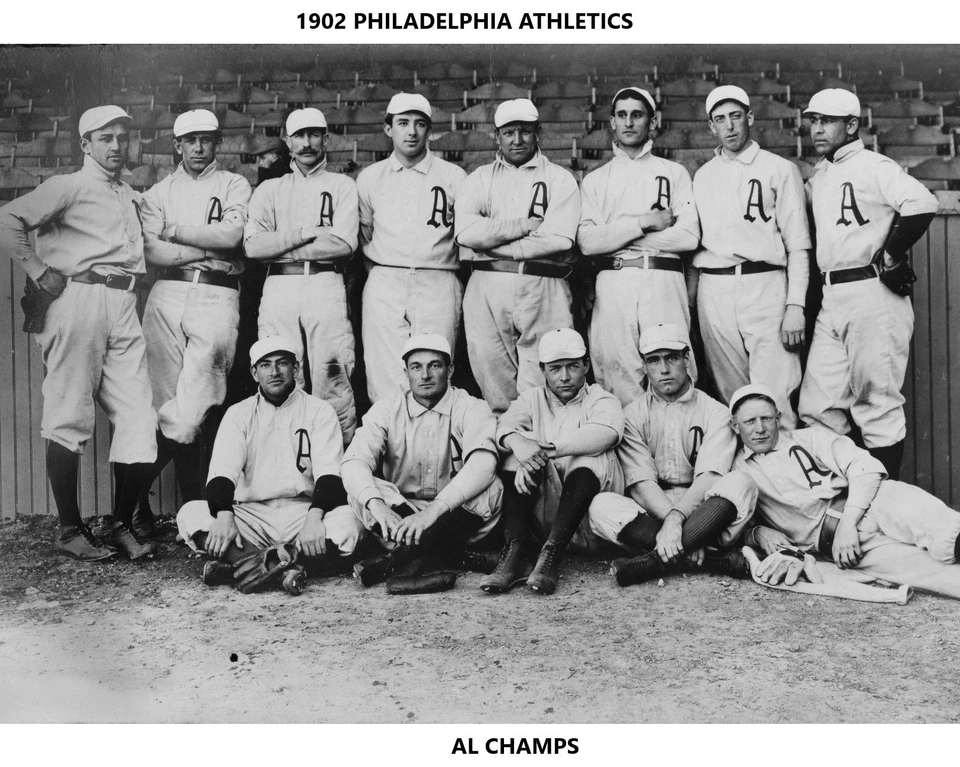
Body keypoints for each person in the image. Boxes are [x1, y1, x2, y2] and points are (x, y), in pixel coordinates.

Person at [0, 105, 158, 561]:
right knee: (69, 413)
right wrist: (37, 270)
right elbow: (8, 219)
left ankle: (119, 523)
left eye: (122, 137)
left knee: (138, 417)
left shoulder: (129, 193)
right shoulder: (68, 186)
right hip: (78, 299)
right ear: (85, 144)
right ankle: (69, 529)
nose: (115, 146)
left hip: (125, 303)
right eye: (104, 138)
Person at [798, 88, 939, 479]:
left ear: (852, 125)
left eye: (827, 121)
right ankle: (845, 497)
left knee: (877, 405)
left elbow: (923, 202)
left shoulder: (875, 165)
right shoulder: (822, 175)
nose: (818, 129)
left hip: (872, 291)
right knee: (817, 406)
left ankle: (883, 503)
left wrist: (892, 252)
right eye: (814, 120)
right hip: (833, 294)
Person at [727, 384, 960, 599]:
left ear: (778, 418)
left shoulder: (810, 437)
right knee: (932, 574)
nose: (760, 429)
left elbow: (866, 469)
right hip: (839, 550)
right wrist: (758, 532)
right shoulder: (737, 470)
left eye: (766, 418)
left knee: (937, 525)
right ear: (735, 426)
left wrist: (848, 523)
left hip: (872, 505)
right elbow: (735, 526)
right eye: (749, 421)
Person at [137, 109, 252, 536]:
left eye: (207, 139)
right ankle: (189, 511)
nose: (199, 148)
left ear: (217, 142)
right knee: (164, 406)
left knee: (193, 408)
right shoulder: (157, 192)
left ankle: (129, 500)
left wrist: (176, 231)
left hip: (216, 293)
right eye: (190, 141)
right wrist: (199, 247)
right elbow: (153, 253)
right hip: (166, 293)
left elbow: (231, 238)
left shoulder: (234, 184)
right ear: (177, 146)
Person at [175, 336, 364, 593]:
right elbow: (221, 475)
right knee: (190, 514)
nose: (274, 372)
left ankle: (240, 568)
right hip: (253, 515)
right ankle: (287, 567)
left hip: (303, 512)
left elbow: (330, 476)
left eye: (282, 363)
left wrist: (315, 517)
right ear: (254, 372)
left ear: (295, 369)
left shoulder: (319, 410)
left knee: (350, 520)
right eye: (265, 365)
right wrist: (224, 514)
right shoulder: (239, 413)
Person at [587, 324, 755, 586]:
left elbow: (710, 477)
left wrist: (678, 521)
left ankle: (653, 562)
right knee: (600, 506)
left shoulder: (716, 411)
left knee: (741, 483)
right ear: (644, 365)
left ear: (686, 359)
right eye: (654, 360)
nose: (664, 369)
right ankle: (707, 558)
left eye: (672, 358)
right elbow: (641, 483)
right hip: (653, 513)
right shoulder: (631, 415)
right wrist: (672, 524)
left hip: (707, 512)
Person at [342, 334, 503, 593]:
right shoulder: (386, 409)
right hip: (402, 517)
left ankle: (401, 559)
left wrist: (433, 513)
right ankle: (453, 557)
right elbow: (352, 462)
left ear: (449, 369)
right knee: (362, 491)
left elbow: (483, 464)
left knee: (493, 487)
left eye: (435, 365)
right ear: (406, 372)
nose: (425, 374)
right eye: (416, 367)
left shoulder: (472, 406)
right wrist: (379, 508)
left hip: (454, 515)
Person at [692, 86, 811, 428]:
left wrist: (795, 306)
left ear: (750, 118)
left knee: (775, 397)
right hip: (714, 288)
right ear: (711, 127)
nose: (729, 126)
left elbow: (798, 245)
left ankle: (784, 479)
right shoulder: (703, 176)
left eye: (735, 116)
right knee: (733, 399)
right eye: (720, 119)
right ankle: (745, 480)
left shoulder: (780, 169)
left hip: (765, 284)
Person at [455, 98, 580, 415]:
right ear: (496, 136)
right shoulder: (480, 178)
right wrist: (522, 227)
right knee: (491, 376)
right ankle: (509, 456)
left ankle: (545, 456)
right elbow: (466, 232)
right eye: (508, 132)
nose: (517, 140)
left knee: (544, 384)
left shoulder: (559, 178)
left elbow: (559, 239)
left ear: (538, 133)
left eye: (525, 131)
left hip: (543, 281)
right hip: (487, 284)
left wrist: (490, 242)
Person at [577, 86, 701, 406]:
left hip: (662, 279)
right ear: (612, 123)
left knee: (672, 370)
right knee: (616, 375)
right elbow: (589, 243)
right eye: (622, 115)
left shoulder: (674, 173)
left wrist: (617, 235)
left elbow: (688, 237)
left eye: (637, 114)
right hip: (614, 281)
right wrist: (641, 223)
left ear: (653, 121)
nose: (629, 122)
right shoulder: (596, 180)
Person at [243, 107, 360, 443]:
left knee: (332, 374)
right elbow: (253, 247)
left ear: (326, 138)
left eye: (314, 134)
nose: (307, 143)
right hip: (279, 285)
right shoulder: (270, 190)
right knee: (281, 374)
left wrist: (278, 243)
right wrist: (304, 234)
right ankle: (288, 458)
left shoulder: (341, 185)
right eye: (299, 136)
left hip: (325, 282)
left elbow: (342, 244)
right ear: (289, 142)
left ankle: (337, 469)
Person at [481, 328, 624, 595]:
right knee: (515, 452)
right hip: (543, 517)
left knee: (590, 454)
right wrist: (520, 446)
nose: (565, 376)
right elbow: (504, 428)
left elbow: (607, 432)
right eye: (556, 368)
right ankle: (517, 552)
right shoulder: (531, 398)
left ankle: (552, 554)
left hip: (591, 522)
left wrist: (543, 451)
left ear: (586, 366)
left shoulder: (601, 398)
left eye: (573, 366)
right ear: (543, 369)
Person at [356, 93, 467, 403]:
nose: (412, 132)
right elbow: (365, 235)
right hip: (386, 279)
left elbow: (463, 234)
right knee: (385, 374)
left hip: (438, 277)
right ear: (388, 128)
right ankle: (392, 448)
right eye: (403, 123)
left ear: (430, 130)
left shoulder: (453, 175)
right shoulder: (370, 177)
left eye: (420, 124)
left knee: (434, 370)